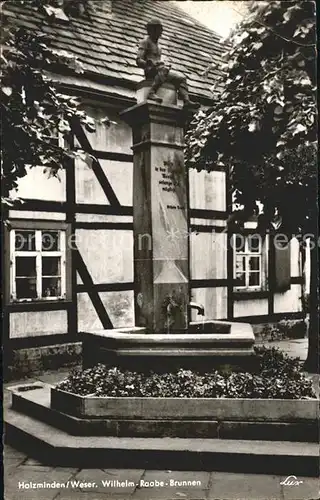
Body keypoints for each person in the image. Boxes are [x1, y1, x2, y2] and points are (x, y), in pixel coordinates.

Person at [136, 19, 198, 107]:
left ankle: (186, 101)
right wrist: (149, 63)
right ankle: (151, 92)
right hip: (150, 70)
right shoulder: (145, 42)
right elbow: (138, 60)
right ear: (152, 30)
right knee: (164, 69)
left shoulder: (159, 47)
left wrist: (161, 64)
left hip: (159, 71)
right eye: (159, 30)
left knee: (181, 78)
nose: (161, 32)